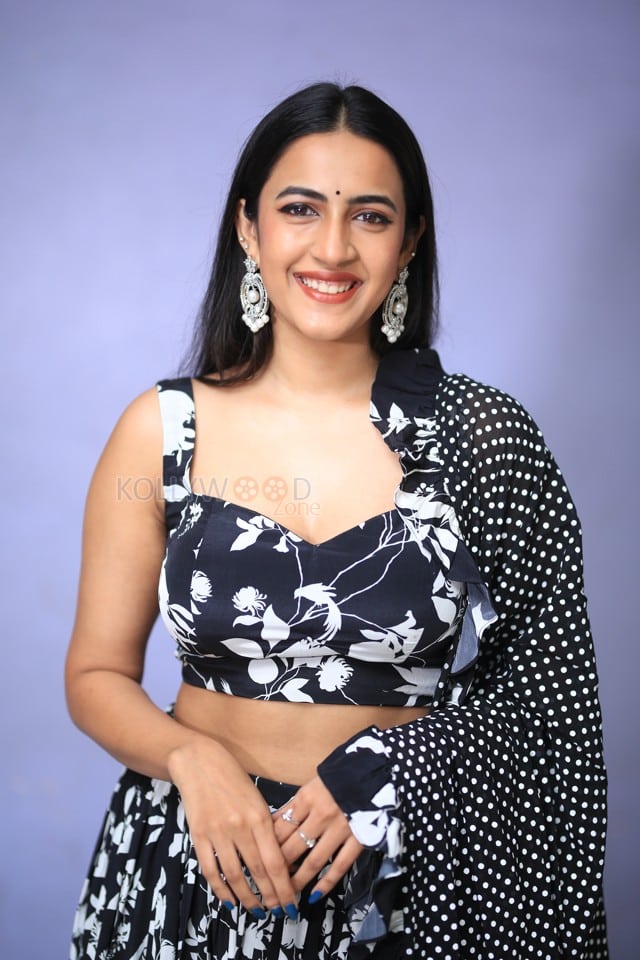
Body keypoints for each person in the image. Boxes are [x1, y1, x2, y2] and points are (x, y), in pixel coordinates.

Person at [66, 82, 608, 959]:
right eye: (300, 209)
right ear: (249, 228)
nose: (332, 247)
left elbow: (553, 710)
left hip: (410, 886)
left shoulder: (484, 439)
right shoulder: (161, 431)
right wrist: (192, 762)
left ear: (410, 240)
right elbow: (95, 674)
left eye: (370, 216)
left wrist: (389, 770)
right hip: (193, 866)